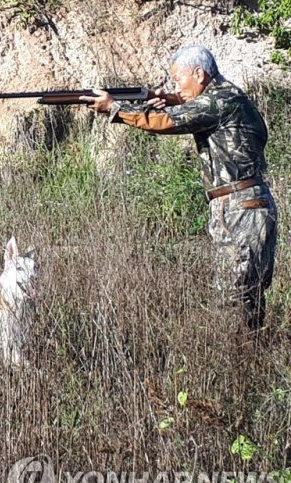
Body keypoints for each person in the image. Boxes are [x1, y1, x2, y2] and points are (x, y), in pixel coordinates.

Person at [80, 45, 277, 330]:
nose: (175, 86)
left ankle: (236, 362)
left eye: (178, 79)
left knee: (234, 299)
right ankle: (252, 358)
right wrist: (170, 98)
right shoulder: (229, 96)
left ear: (199, 73)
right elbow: (191, 109)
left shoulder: (218, 102)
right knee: (249, 294)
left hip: (239, 208)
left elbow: (165, 122)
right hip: (250, 204)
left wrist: (114, 108)